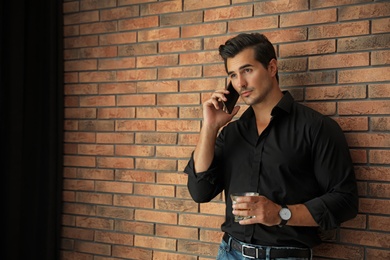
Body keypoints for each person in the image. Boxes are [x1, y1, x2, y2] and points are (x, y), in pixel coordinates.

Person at [184, 33, 358, 260]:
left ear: (272, 67)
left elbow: (345, 201)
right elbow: (199, 192)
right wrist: (210, 127)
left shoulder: (316, 127)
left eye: (247, 70)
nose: (240, 83)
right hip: (229, 253)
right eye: (233, 75)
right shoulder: (231, 133)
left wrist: (281, 214)